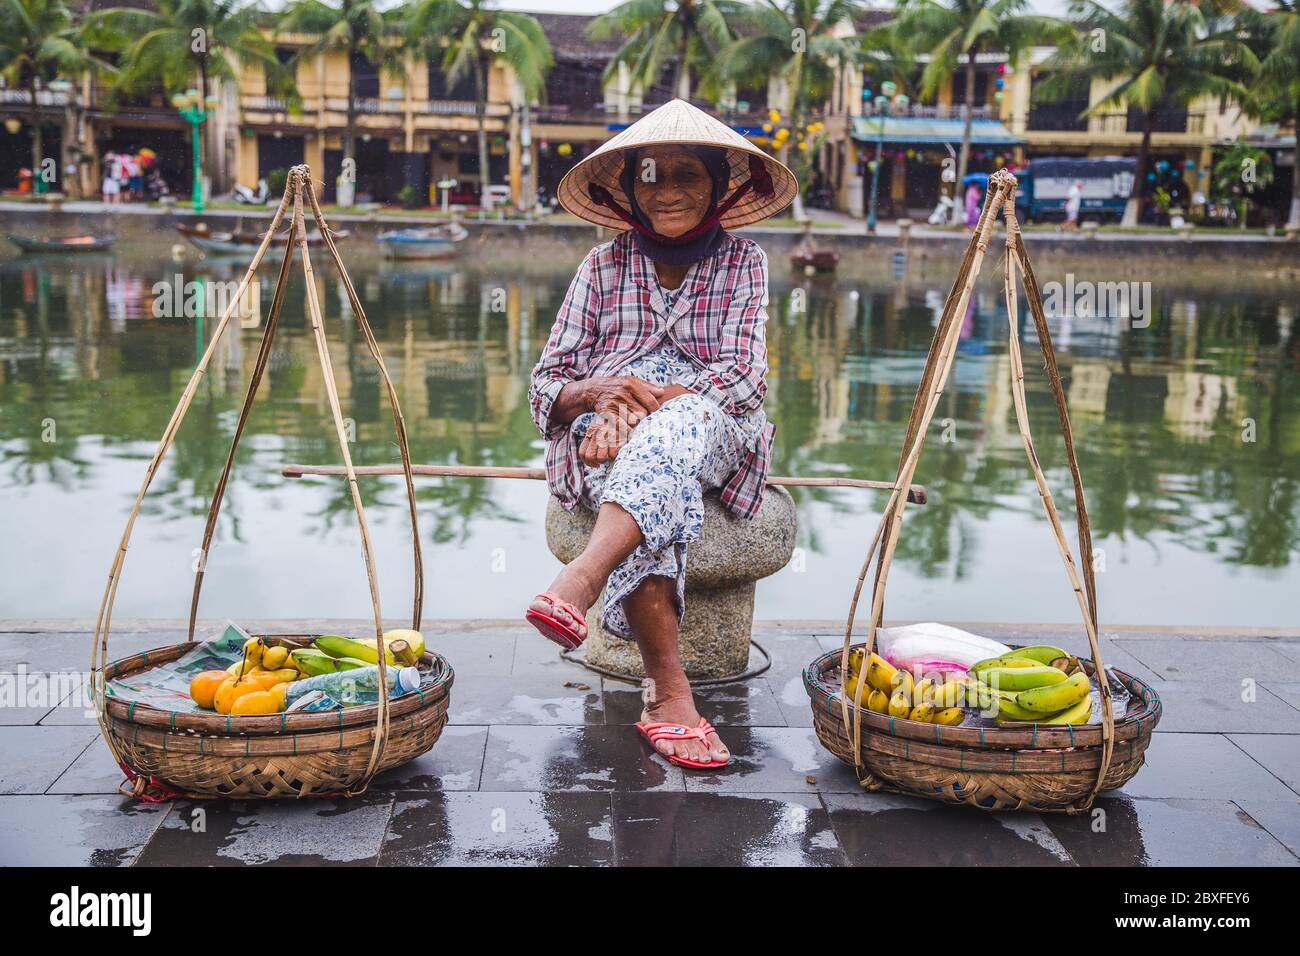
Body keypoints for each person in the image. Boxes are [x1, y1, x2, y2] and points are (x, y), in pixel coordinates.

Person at [525, 99, 796, 769]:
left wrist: (647, 405)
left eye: (685, 175)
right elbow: (544, 386)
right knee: (651, 481)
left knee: (682, 420)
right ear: (628, 190)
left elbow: (743, 383)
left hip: (715, 434)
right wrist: (597, 394)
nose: (667, 191)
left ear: (717, 187)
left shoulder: (744, 265)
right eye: (650, 175)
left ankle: (582, 577)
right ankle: (667, 699)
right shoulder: (600, 269)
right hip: (603, 438)